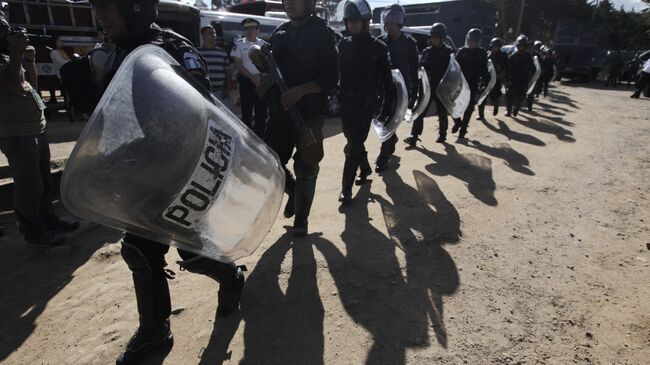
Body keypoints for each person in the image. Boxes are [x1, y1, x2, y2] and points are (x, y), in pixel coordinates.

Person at [88, 1, 245, 363]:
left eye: (107, 8)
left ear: (134, 7)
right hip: (146, 163)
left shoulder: (173, 47)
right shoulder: (118, 53)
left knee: (192, 251)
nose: (101, 16)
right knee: (139, 250)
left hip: (185, 162)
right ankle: (155, 331)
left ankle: (232, 277)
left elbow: (201, 106)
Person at [255, 0, 338, 236]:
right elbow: (267, 66)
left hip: (308, 115)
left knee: (306, 166)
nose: (289, 3)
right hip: (279, 114)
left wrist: (300, 90)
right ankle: (291, 189)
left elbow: (331, 77)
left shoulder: (323, 34)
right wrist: (258, 60)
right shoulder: (280, 32)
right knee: (270, 164)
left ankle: (301, 219)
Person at [0, 15, 79, 247]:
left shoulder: (8, 58)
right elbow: (13, 83)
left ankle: (48, 219)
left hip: (35, 127)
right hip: (16, 132)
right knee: (28, 185)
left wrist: (30, 62)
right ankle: (33, 231)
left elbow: (30, 88)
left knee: (43, 181)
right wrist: (15, 54)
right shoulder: (6, 60)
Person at [337, 0, 394, 204]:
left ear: (365, 22)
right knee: (352, 140)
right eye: (349, 21)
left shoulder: (378, 47)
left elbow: (389, 82)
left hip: (365, 104)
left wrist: (388, 108)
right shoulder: (343, 44)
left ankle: (346, 188)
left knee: (353, 145)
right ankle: (366, 168)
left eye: (356, 21)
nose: (352, 24)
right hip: (345, 104)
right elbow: (334, 72)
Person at [375, 3, 418, 170]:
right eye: (388, 23)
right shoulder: (380, 42)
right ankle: (391, 140)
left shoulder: (409, 43)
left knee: (390, 121)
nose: (390, 26)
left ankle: (383, 157)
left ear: (400, 23)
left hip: (401, 91)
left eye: (393, 23)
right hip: (383, 90)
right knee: (384, 120)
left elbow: (414, 70)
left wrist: (414, 94)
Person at [404, 23, 453, 144]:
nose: (434, 40)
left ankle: (442, 134)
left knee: (442, 112)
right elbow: (420, 68)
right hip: (427, 87)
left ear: (442, 38)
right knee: (420, 111)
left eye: (437, 37)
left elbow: (453, 71)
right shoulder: (426, 51)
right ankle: (414, 136)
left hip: (442, 88)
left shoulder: (449, 52)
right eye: (432, 37)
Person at [231, 18, 268, 137]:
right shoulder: (239, 44)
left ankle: (260, 139)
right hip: (246, 82)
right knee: (246, 112)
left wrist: (260, 76)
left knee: (261, 113)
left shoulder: (264, 45)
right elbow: (237, 63)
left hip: (261, 82)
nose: (249, 31)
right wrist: (252, 77)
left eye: (252, 29)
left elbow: (268, 64)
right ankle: (246, 139)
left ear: (258, 30)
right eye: (246, 29)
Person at [451, 28, 489, 140]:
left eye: (475, 41)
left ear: (479, 41)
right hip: (460, 84)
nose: (472, 43)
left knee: (469, 107)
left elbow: (484, 69)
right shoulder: (461, 51)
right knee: (453, 105)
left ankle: (463, 130)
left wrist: (486, 80)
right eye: (471, 40)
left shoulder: (482, 53)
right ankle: (457, 122)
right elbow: (454, 67)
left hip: (473, 84)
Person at [197, 25, 231, 104]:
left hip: (220, 92)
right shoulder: (197, 52)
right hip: (202, 92)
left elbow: (228, 73)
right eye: (210, 33)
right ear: (203, 36)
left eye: (214, 33)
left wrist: (228, 89)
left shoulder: (222, 52)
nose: (214, 35)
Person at [477, 37, 508, 119]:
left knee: (494, 96)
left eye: (496, 46)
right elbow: (483, 66)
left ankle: (496, 105)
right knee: (482, 97)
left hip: (497, 80)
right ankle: (481, 115)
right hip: (487, 79)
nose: (495, 48)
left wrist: (505, 78)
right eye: (493, 46)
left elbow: (507, 67)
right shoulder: (488, 55)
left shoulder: (503, 56)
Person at [506, 35, 535, 117]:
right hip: (513, 79)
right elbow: (508, 69)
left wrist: (532, 77)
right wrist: (507, 79)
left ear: (525, 46)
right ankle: (508, 111)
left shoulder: (528, 56)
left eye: (523, 46)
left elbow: (532, 68)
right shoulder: (512, 56)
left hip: (524, 80)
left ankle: (516, 109)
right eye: (520, 46)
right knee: (510, 96)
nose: (521, 48)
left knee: (520, 97)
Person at [49, 35, 70, 103]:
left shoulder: (61, 51)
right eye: (59, 41)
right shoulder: (54, 52)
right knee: (67, 95)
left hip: (67, 75)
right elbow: (64, 63)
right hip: (63, 76)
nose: (61, 42)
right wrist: (66, 57)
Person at [525, 40, 542, 112]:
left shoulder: (537, 55)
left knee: (531, 92)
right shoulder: (524, 54)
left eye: (532, 47)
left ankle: (529, 106)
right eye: (529, 47)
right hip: (524, 76)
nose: (531, 49)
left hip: (533, 76)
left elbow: (539, 66)